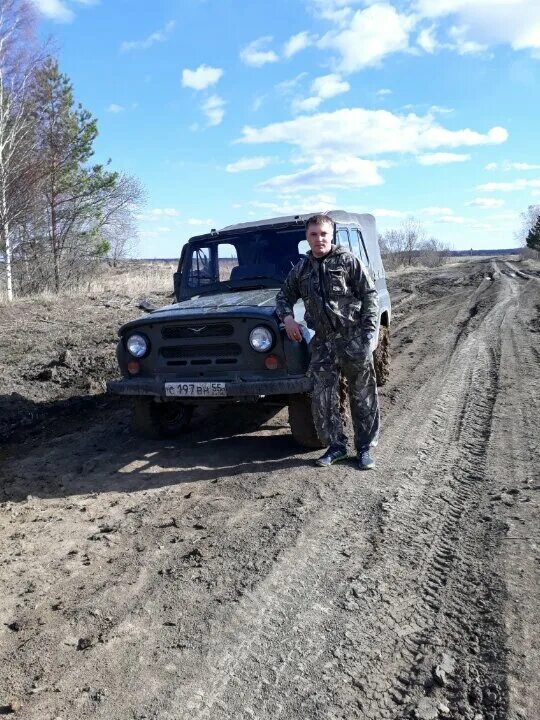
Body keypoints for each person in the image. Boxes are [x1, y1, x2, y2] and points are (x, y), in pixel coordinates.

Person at [275, 214, 380, 469]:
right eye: (313, 234)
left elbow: (369, 296)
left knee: (362, 395)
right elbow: (283, 297)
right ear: (307, 237)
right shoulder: (302, 269)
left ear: (331, 235)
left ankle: (364, 448)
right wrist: (288, 320)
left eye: (323, 234)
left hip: (352, 337)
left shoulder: (347, 261)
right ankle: (336, 447)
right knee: (323, 397)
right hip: (323, 343)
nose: (318, 239)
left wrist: (368, 335)